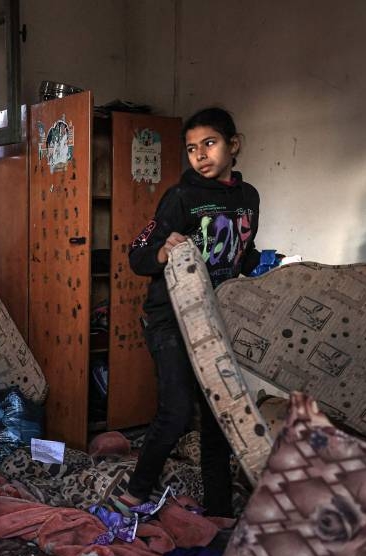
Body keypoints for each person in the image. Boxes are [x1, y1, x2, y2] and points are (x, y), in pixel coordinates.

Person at [123, 107, 261, 517]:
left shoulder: (248, 198)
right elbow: (138, 254)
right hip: (170, 319)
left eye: (210, 143)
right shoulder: (180, 197)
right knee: (177, 409)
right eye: (191, 148)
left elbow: (244, 253)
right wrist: (163, 251)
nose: (200, 155)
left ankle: (218, 510)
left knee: (219, 416)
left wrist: (272, 268)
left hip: (218, 319)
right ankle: (136, 492)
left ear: (233, 145)